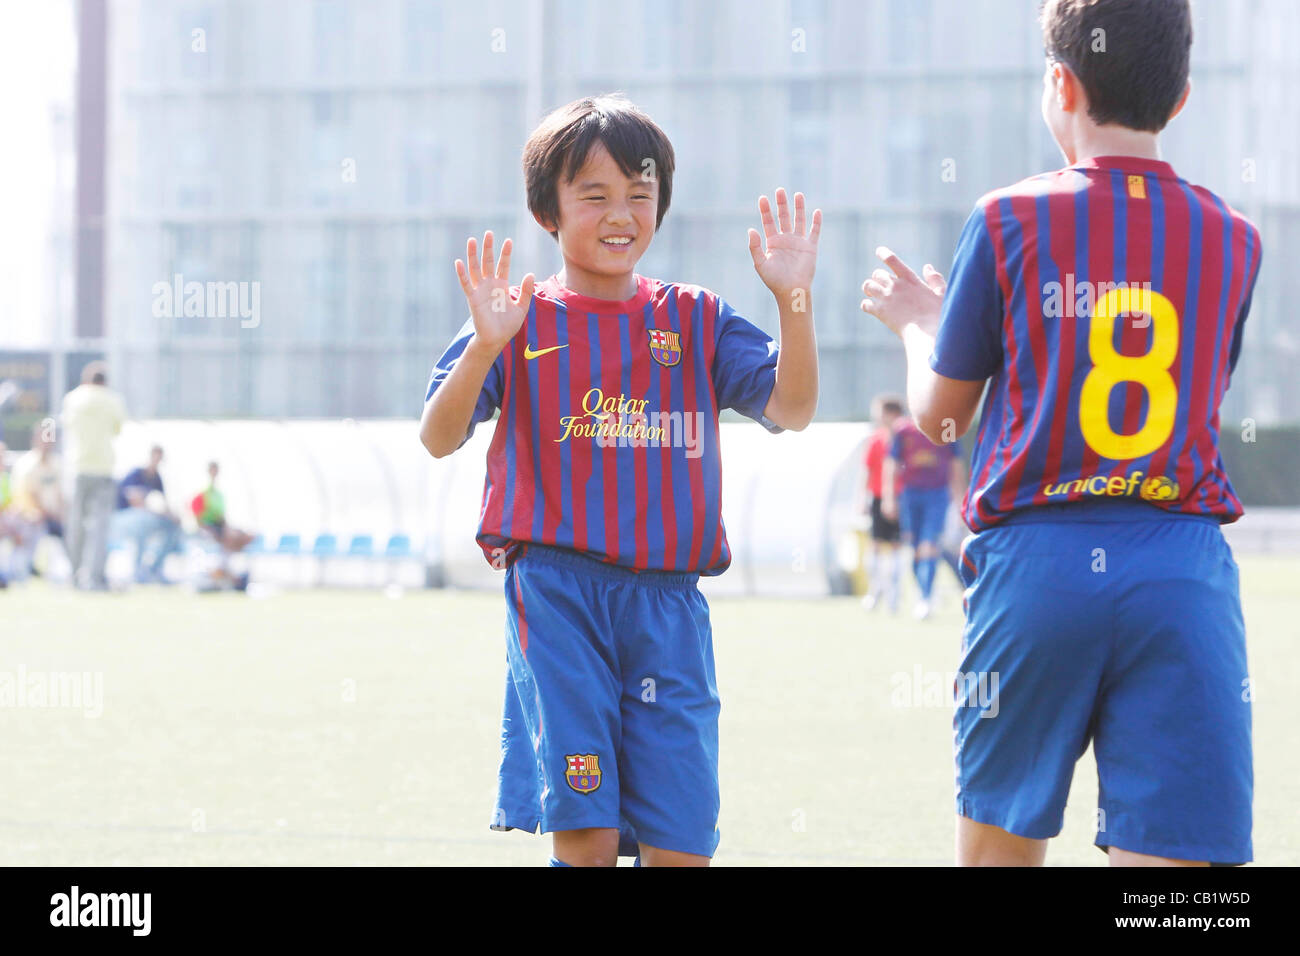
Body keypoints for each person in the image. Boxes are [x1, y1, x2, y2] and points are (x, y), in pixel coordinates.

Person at [861, 0, 1258, 867]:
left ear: (1060, 83)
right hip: (1180, 568)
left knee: (999, 854)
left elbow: (944, 416)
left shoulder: (1009, 218)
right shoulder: (1234, 239)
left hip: (1037, 569)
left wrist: (918, 327)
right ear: (1182, 96)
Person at [419, 94, 820, 867]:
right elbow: (438, 437)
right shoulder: (519, 319)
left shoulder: (698, 318)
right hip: (560, 595)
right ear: (548, 212)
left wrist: (791, 299)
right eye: (594, 195)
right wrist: (481, 350)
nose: (621, 213)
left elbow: (793, 408)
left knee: (680, 847)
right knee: (590, 838)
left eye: (640, 194)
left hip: (670, 606)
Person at [881, 417, 963, 620]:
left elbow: (955, 463)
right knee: (916, 547)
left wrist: (961, 499)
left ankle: (926, 597)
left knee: (930, 545)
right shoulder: (903, 429)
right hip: (910, 495)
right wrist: (889, 497)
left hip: (937, 494)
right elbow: (892, 462)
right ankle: (923, 591)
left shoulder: (947, 424)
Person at [60, 361, 127, 590]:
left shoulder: (72, 399)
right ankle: (94, 577)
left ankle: (73, 574)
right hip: (104, 469)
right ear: (105, 381)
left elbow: (66, 426)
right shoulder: (113, 400)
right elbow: (117, 430)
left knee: (75, 524)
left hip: (78, 467)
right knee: (99, 528)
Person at [111, 445, 183, 585]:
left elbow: (163, 503)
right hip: (123, 517)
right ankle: (137, 570)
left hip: (146, 516)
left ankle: (155, 569)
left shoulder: (157, 478)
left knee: (172, 526)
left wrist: (173, 516)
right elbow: (135, 501)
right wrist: (158, 512)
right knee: (144, 522)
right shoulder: (136, 474)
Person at [859, 394, 904, 613]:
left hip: (901, 498)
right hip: (878, 498)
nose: (877, 417)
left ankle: (894, 595)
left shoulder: (907, 438)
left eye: (880, 412)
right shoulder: (876, 439)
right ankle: (874, 590)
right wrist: (862, 499)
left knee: (896, 546)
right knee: (875, 543)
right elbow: (866, 471)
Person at [9, 424, 66, 581]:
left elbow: (61, 494)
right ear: (35, 440)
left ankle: (66, 572)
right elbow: (27, 496)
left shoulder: (57, 464)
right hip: (31, 516)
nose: (46, 443)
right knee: (33, 527)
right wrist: (45, 514)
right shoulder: (26, 464)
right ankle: (24, 570)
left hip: (55, 516)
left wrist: (62, 514)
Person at [190, 461, 253, 590]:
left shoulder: (219, 495)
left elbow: (222, 518)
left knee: (242, 536)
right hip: (208, 529)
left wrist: (229, 530)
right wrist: (208, 530)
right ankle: (230, 578)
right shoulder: (202, 494)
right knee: (224, 546)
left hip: (219, 530)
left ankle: (231, 576)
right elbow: (197, 517)